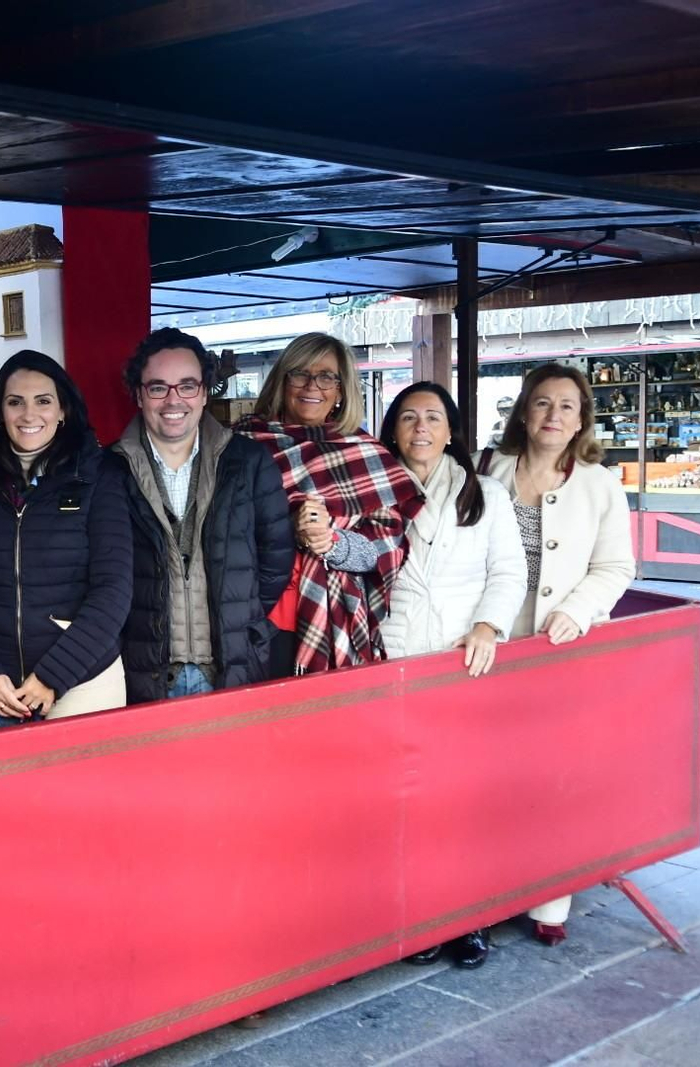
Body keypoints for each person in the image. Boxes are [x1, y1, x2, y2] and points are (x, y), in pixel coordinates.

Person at [480, 362, 636, 946]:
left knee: (553, 776)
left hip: (559, 649)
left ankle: (550, 900)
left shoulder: (599, 484)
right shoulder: (489, 468)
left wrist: (579, 609)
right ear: (523, 411)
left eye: (567, 407)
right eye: (543, 403)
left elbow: (617, 566)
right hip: (493, 644)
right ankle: (490, 890)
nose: (553, 415)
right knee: (493, 776)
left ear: (580, 420)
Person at [380, 382, 526, 970]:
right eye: (409, 417)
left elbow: (508, 572)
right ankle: (416, 921)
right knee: (407, 800)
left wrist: (489, 626)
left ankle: (470, 918)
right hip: (394, 656)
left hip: (464, 658)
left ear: (450, 430)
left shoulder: (484, 493)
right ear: (393, 428)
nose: (421, 427)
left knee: (463, 799)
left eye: (433, 418)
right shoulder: (373, 486)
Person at [0, 350, 132, 724]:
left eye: (43, 401)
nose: (29, 415)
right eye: (15, 402)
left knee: (78, 784)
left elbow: (114, 590)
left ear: (63, 411)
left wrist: (50, 678)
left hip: (83, 683)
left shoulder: (100, 476)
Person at [110, 328, 294, 702]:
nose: (173, 400)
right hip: (142, 670)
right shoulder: (108, 470)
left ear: (206, 392)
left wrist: (241, 618)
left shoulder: (248, 462)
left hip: (233, 665)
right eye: (158, 387)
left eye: (187, 386)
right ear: (139, 395)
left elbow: (276, 555)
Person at [235, 333, 421, 675]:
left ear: (341, 390)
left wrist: (332, 542)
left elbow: (387, 549)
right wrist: (285, 526)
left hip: (337, 619)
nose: (312, 386)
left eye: (326, 377)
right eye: (300, 374)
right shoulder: (242, 444)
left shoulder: (364, 451)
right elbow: (223, 532)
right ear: (282, 380)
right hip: (257, 618)